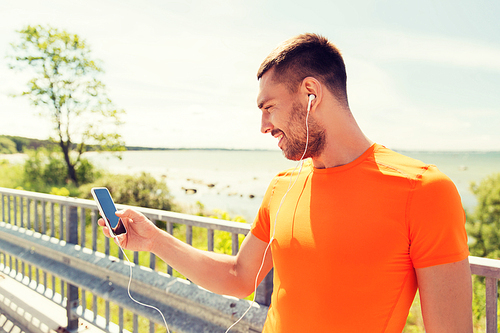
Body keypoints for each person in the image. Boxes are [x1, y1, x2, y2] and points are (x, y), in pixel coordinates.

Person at [99, 33, 473, 332]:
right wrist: (154, 240)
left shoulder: (423, 190)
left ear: (311, 93)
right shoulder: (283, 186)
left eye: (268, 107)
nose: (263, 126)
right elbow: (238, 276)